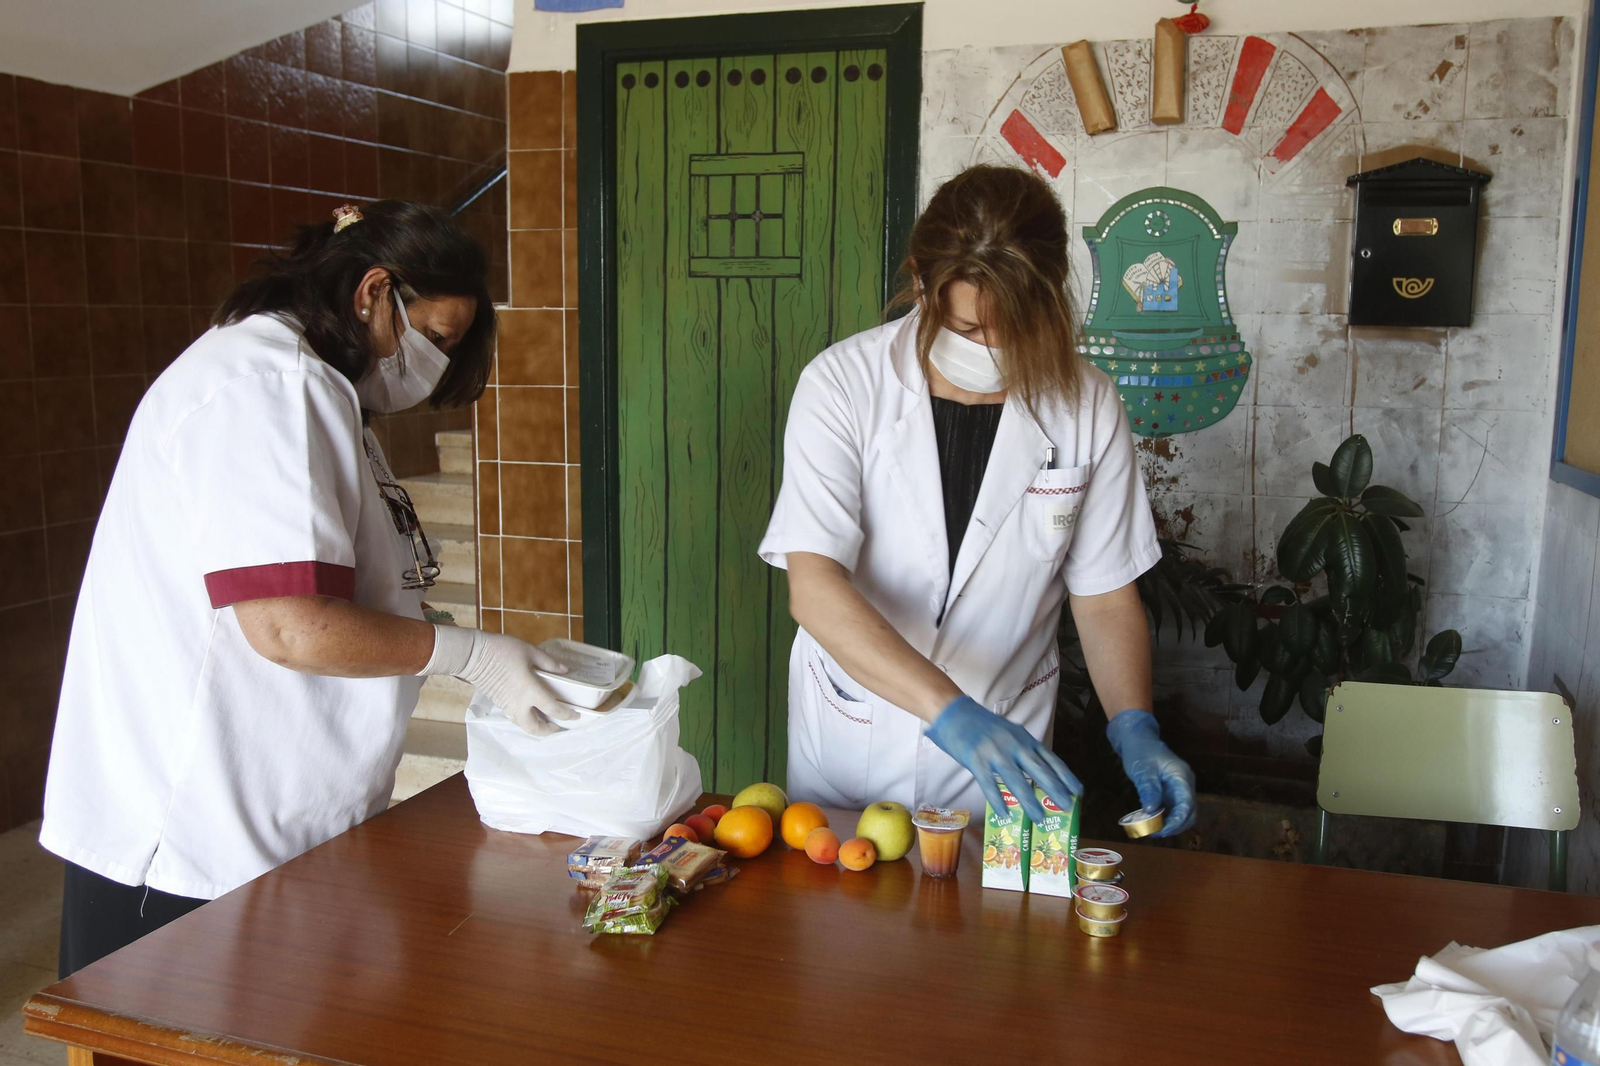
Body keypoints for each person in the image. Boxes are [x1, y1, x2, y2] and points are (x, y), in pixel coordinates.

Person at [41, 201, 575, 978]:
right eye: (432, 339)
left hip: (266, 828)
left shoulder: (316, 388)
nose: (429, 366)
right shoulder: (267, 384)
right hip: (188, 848)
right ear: (372, 292)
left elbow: (341, 584)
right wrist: (471, 656)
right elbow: (289, 627)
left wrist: (425, 622)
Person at [758, 165, 1196, 833]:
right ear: (919, 283)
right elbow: (815, 586)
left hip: (1007, 751)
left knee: (987, 932)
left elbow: (1104, 592)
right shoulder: (843, 386)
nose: (990, 347)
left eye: (1009, 326)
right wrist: (950, 714)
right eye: (967, 328)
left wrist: (1133, 722)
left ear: (1049, 297)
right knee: (842, 924)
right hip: (858, 738)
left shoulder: (1086, 404)